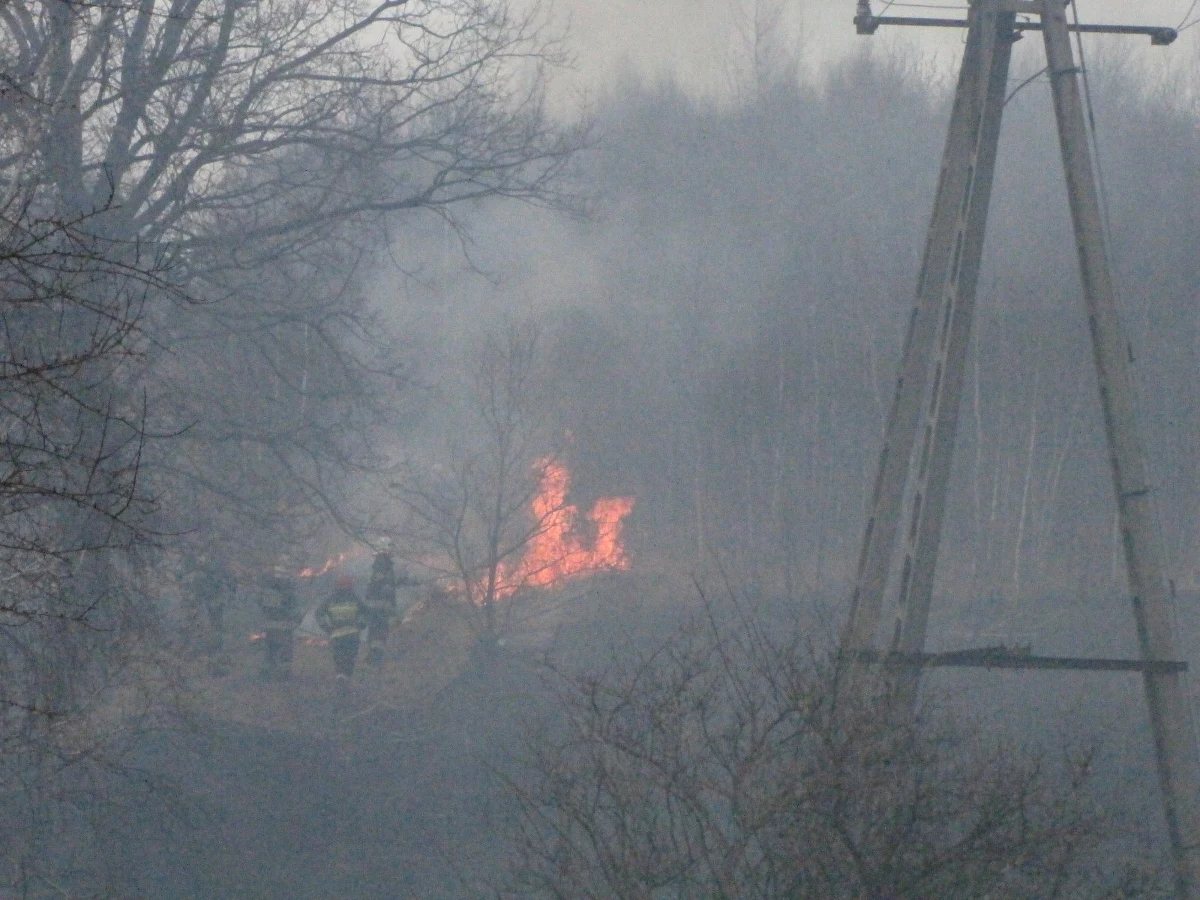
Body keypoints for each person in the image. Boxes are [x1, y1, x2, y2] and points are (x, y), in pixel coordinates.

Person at [317, 572, 363, 680]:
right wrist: (361, 624)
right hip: (352, 636)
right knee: (349, 660)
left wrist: (326, 627)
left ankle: (341, 679)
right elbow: (366, 613)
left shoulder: (331, 599)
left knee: (340, 659)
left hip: (337, 636)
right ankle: (344, 679)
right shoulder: (354, 598)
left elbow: (319, 613)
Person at [258, 572, 302, 680]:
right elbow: (293, 609)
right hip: (284, 627)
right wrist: (297, 619)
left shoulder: (267, 594)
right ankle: (284, 672)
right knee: (285, 650)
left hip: (270, 626)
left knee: (271, 649)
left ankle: (268, 671)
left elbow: (262, 607)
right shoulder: (289, 595)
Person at [363, 549, 398, 664]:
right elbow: (389, 590)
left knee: (375, 632)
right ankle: (376, 656)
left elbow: (372, 589)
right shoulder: (386, 570)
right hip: (382, 607)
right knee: (380, 632)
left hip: (375, 607)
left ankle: (375, 655)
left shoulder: (377, 569)